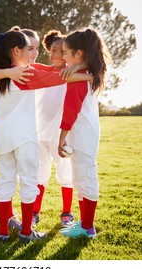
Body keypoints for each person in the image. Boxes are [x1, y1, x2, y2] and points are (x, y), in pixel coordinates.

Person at [0, 27, 92, 243]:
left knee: (5, 180)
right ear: (16, 51)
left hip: (3, 138)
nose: (32, 54)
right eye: (28, 49)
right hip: (25, 139)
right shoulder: (25, 74)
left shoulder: (2, 76)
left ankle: (3, 232)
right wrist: (88, 73)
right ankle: (26, 232)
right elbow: (58, 77)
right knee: (28, 182)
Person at [58, 28, 111, 238]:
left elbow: (70, 110)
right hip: (84, 133)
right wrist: (79, 65)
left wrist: (61, 138)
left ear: (79, 53)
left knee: (86, 178)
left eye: (65, 52)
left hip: (82, 134)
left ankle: (88, 228)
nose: (62, 57)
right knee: (80, 178)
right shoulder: (86, 73)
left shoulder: (80, 77)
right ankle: (84, 224)